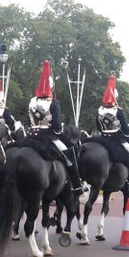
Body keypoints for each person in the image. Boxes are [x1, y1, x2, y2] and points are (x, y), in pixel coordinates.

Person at [27, 61, 88, 194]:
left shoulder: (32, 101)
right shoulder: (53, 103)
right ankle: (77, 186)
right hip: (48, 137)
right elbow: (56, 127)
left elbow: (29, 121)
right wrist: (59, 131)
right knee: (69, 153)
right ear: (52, 88)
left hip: (31, 135)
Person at [96, 72, 129, 197]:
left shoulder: (100, 110)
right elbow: (126, 130)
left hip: (101, 138)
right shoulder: (118, 110)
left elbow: (98, 126)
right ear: (116, 98)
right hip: (116, 140)